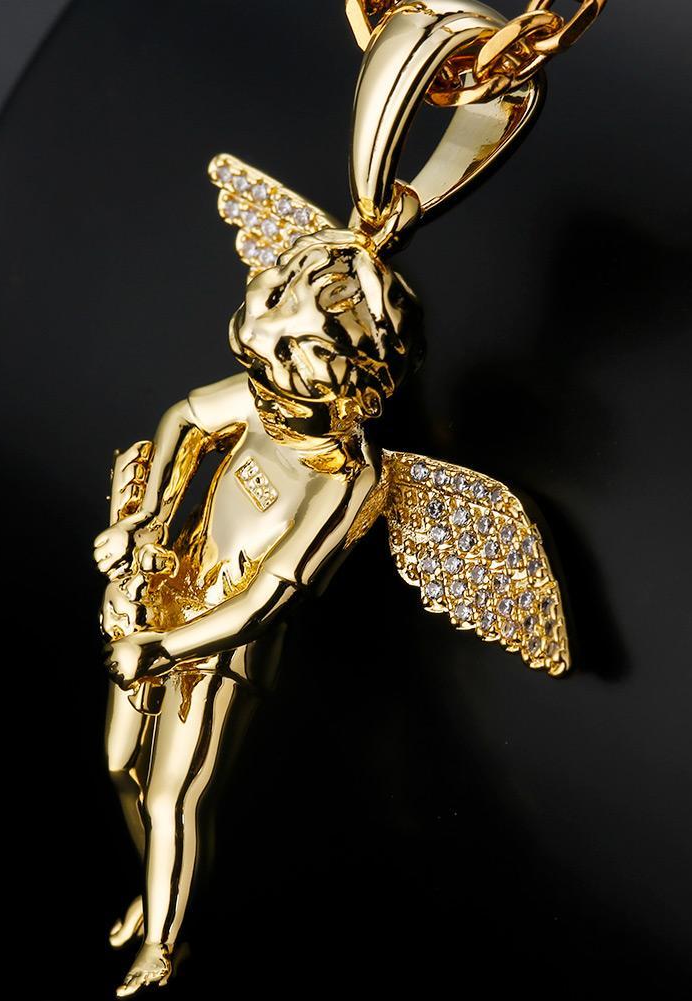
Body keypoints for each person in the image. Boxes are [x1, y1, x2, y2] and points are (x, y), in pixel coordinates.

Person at [92, 229, 421, 995]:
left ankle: (164, 944)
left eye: (286, 370)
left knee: (175, 795)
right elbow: (181, 420)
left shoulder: (348, 481)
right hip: (165, 594)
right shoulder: (263, 395)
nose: (265, 393)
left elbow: (267, 599)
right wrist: (144, 517)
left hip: (224, 651)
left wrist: (163, 649)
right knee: (118, 764)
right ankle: (157, 887)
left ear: (351, 383)